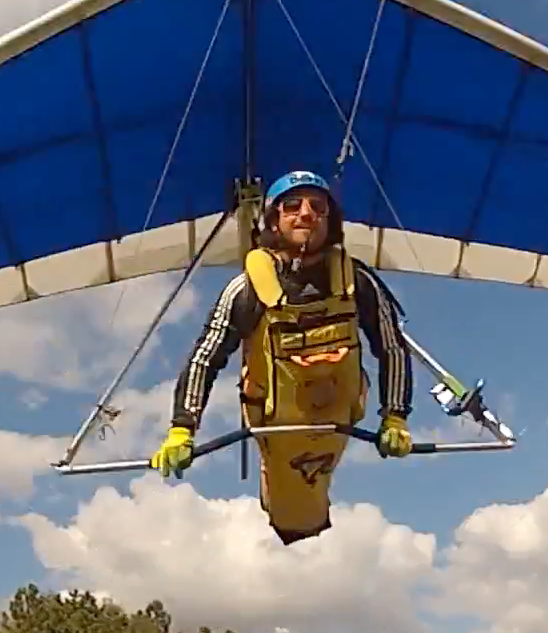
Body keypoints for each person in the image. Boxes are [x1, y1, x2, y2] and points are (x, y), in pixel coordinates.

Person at [151, 170, 413, 544]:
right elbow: (205, 358)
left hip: (335, 417)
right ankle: (285, 508)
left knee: (311, 484)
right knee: (291, 492)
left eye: (317, 206)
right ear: (274, 220)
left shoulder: (357, 282)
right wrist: (182, 428)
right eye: (291, 206)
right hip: (277, 420)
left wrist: (395, 416)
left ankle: (304, 509)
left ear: (330, 220)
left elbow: (391, 346)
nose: (305, 214)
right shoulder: (246, 289)